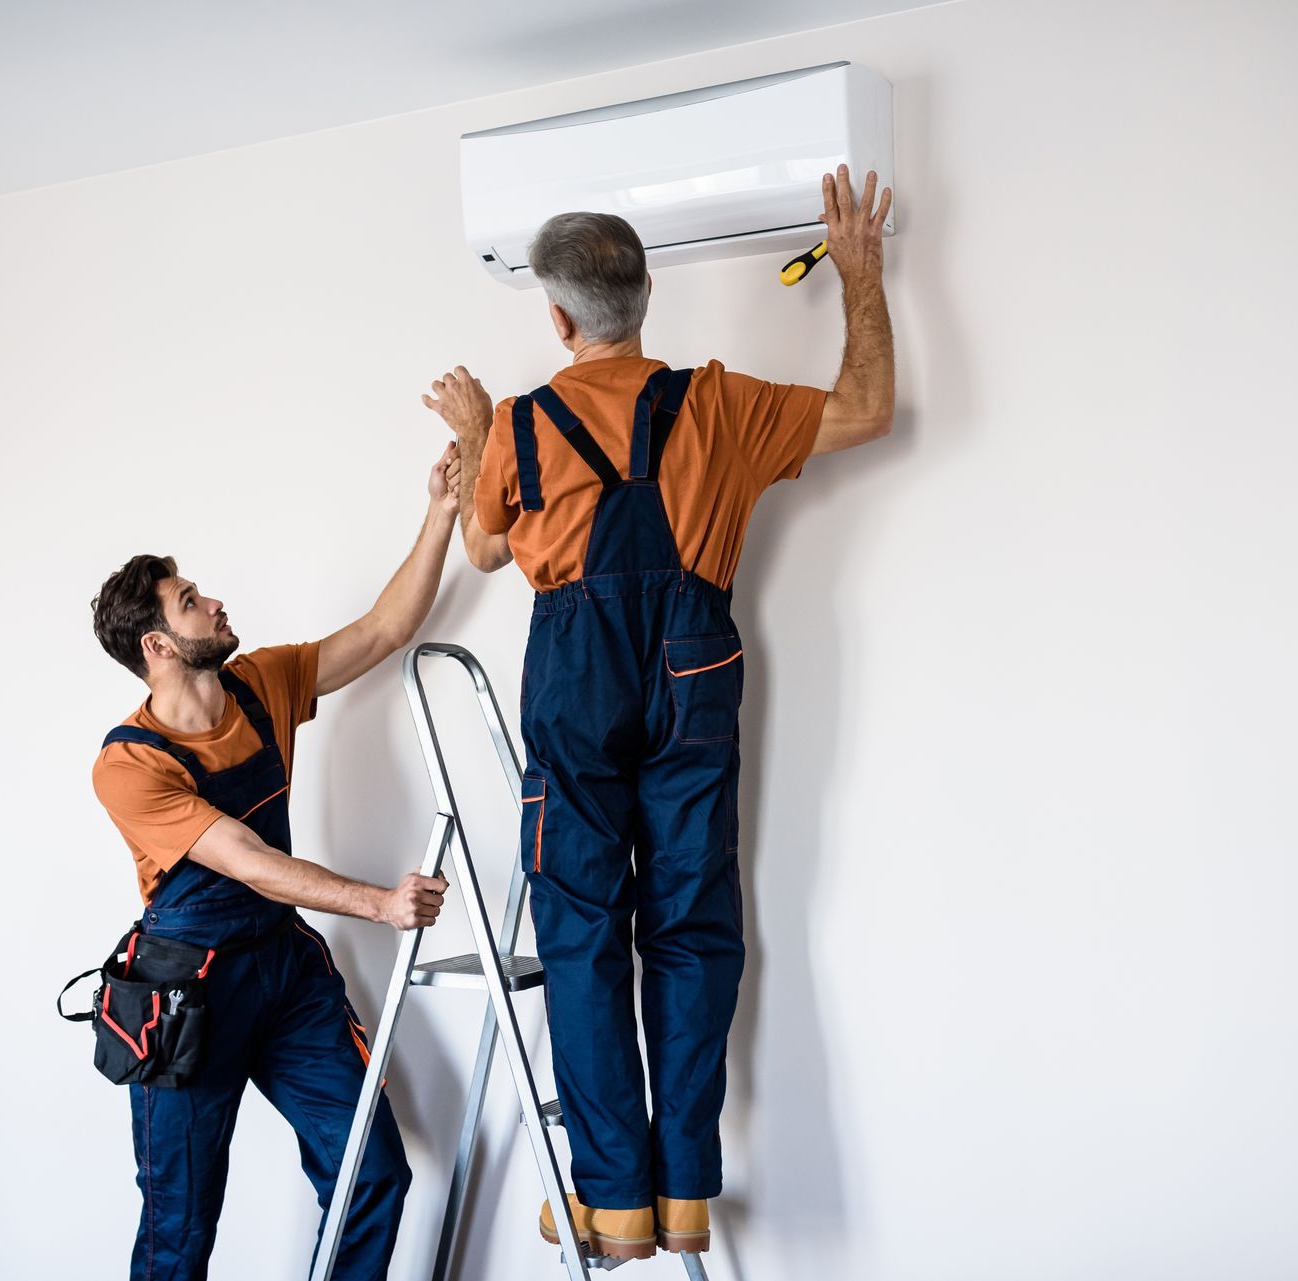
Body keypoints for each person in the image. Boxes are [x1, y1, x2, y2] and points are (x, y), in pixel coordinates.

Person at [420, 165, 895, 1259]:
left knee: (583, 933)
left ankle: (613, 1200)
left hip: (575, 673)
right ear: (645, 300)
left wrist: (491, 423)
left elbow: (487, 549)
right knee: (691, 923)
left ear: (555, 315)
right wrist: (859, 274)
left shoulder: (525, 429)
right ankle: (683, 1193)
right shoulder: (721, 403)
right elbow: (868, 408)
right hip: (695, 662)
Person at [87, 444, 462, 1281]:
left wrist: (439, 513)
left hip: (283, 974)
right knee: (178, 1233)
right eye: (191, 601)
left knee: (374, 1173)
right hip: (186, 995)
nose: (215, 601)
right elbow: (246, 859)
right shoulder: (129, 762)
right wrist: (379, 904)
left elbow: (383, 629)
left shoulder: (261, 683)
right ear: (157, 643)